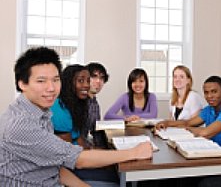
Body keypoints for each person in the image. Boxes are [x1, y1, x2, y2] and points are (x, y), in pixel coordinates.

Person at [0, 47, 152, 186]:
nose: (51, 88)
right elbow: (77, 159)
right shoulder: (19, 124)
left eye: (55, 79)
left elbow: (55, 168)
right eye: (41, 81)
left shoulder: (42, 113)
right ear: (22, 84)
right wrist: (135, 152)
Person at [156, 75, 221, 153]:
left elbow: (205, 132)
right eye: (206, 92)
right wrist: (167, 123)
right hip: (213, 151)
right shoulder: (209, 109)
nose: (209, 96)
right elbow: (188, 122)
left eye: (214, 91)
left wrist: (186, 128)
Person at [51, 64, 90, 147]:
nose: (86, 85)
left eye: (88, 81)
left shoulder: (74, 104)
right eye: (81, 81)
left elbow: (78, 137)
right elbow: (68, 151)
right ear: (68, 83)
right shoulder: (59, 109)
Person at [85, 62, 109, 137]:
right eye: (94, 77)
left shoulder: (95, 103)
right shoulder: (79, 101)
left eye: (102, 78)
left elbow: (94, 130)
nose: (98, 81)